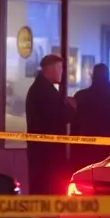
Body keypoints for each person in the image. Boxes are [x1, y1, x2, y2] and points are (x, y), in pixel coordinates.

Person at [26, 53, 74, 195]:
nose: (62, 72)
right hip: (48, 155)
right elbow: (59, 117)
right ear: (48, 69)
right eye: (59, 68)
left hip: (42, 152)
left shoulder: (40, 89)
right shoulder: (45, 92)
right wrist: (71, 108)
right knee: (49, 189)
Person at [70, 63, 110, 170]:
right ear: (108, 77)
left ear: (93, 77)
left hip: (85, 150)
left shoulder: (80, 97)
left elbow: (74, 127)